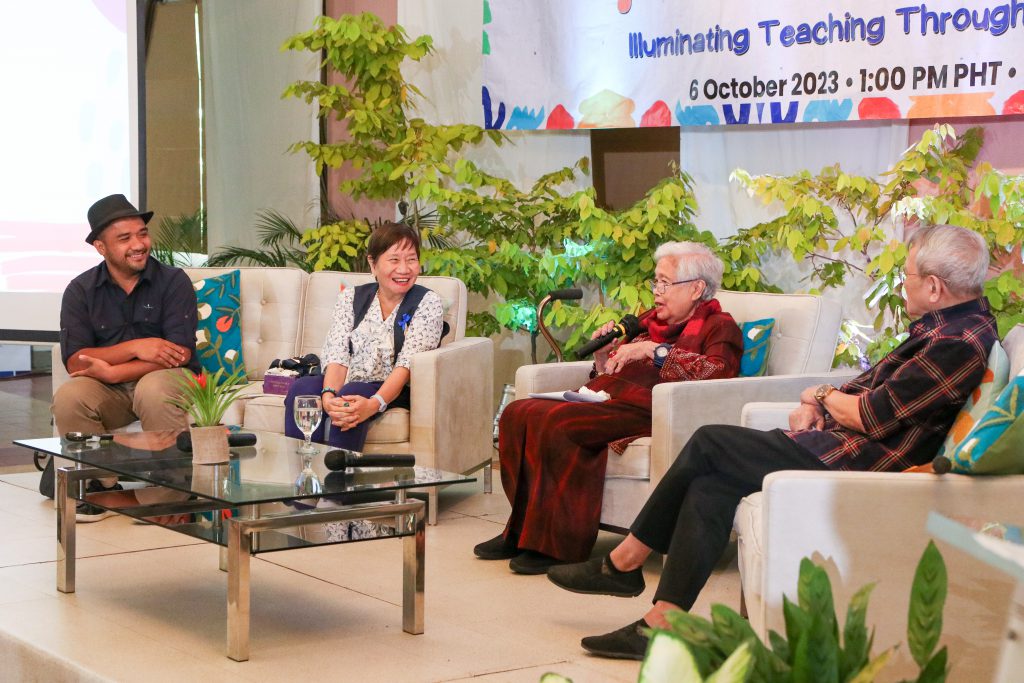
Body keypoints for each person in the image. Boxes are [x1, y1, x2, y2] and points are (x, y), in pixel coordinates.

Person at [546, 224, 998, 660]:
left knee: (708, 443)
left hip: (861, 466)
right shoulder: (943, 329)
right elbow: (867, 389)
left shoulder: (958, 342)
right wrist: (818, 401)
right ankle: (660, 626)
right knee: (712, 485)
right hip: (838, 444)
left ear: (935, 288)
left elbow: (871, 415)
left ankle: (624, 563)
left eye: (909, 276)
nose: (901, 283)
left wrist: (820, 395)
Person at [475, 242, 744, 575]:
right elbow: (613, 372)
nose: (656, 292)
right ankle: (519, 532)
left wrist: (654, 352)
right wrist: (604, 359)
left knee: (562, 424)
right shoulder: (647, 321)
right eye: (655, 282)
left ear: (696, 288)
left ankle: (557, 545)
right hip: (610, 396)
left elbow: (718, 373)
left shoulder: (720, 326)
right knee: (518, 414)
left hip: (652, 408)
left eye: (664, 283)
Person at [52, 193, 199, 520]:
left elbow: (179, 353)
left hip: (167, 378)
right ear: (101, 247)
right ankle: (101, 487)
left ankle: (171, 495)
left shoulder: (173, 281)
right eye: (124, 238)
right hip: (111, 392)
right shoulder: (81, 290)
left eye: (142, 234)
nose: (138, 244)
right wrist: (136, 347)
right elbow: (76, 361)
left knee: (154, 389)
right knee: (70, 396)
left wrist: (114, 371)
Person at [284, 222, 444, 451]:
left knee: (352, 395)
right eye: (394, 260)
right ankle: (304, 476)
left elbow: (407, 365)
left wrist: (374, 403)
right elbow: (338, 353)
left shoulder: (427, 302)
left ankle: (339, 481)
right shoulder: (351, 298)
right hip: (348, 378)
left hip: (392, 389)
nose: (404, 269)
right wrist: (328, 396)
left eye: (411, 259)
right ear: (373, 263)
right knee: (303, 391)